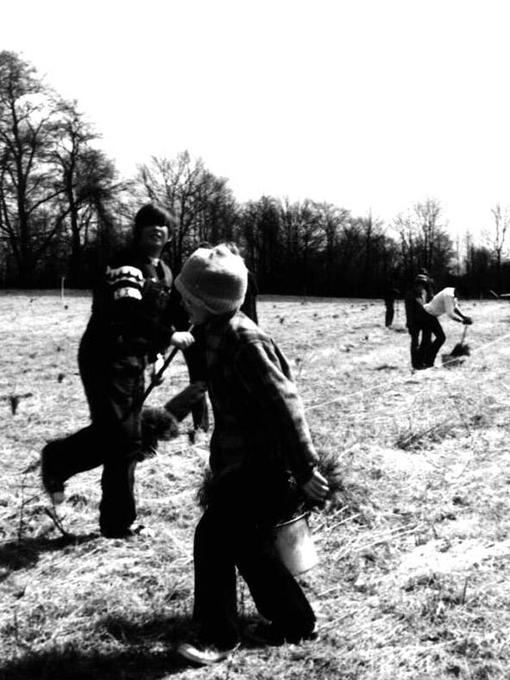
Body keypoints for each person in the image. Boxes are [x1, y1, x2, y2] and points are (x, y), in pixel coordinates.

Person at [172, 244, 329, 667]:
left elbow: (286, 405)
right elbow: (200, 359)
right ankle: (296, 622)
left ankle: (218, 635)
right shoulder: (215, 331)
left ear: (209, 302)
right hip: (237, 463)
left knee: (214, 537)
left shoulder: (245, 341)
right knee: (249, 546)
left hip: (262, 465)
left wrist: (306, 466)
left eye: (188, 300)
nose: (184, 306)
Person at [40, 204, 194, 538]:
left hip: (134, 359)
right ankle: (116, 522)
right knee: (124, 439)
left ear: (170, 233)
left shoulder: (164, 272)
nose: (157, 230)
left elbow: (165, 315)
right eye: (150, 224)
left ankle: (59, 461)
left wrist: (155, 354)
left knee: (120, 436)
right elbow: (128, 311)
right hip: (105, 357)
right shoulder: (127, 264)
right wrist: (168, 337)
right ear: (138, 230)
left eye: (163, 225)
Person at [421, 287, 473, 368]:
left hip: (430, 315)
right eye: (460, 295)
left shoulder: (451, 292)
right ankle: (426, 361)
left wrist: (464, 317)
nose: (459, 297)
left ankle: (427, 362)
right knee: (437, 338)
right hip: (426, 315)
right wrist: (461, 320)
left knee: (434, 339)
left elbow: (455, 308)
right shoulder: (448, 295)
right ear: (458, 291)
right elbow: (450, 314)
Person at [404, 276, 432, 369]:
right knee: (415, 343)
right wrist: (409, 323)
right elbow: (409, 310)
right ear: (415, 285)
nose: (421, 288)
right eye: (419, 286)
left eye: (423, 286)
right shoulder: (410, 295)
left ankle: (423, 361)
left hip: (424, 321)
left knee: (426, 341)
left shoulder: (423, 294)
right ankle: (415, 364)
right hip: (414, 322)